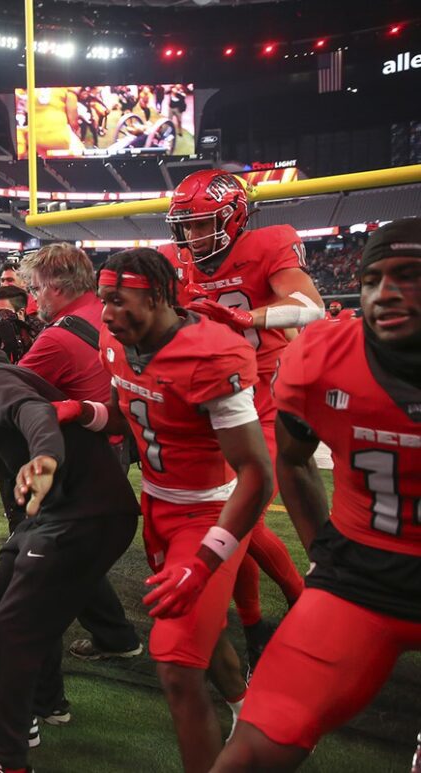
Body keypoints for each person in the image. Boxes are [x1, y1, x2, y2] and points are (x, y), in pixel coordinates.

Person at [213, 218, 421, 771]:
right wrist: (322, 552)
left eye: (408, 275)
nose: (385, 293)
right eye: (372, 278)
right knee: (256, 742)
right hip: (360, 577)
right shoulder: (324, 356)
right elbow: (295, 458)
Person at [60, 249, 273, 772]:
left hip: (206, 516)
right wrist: (79, 411)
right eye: (102, 299)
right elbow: (128, 413)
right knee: (206, 635)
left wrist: (205, 560)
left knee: (176, 664)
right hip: (155, 507)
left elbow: (257, 476)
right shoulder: (117, 342)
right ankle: (253, 717)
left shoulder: (211, 354)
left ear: (156, 296)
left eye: (115, 299)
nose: (104, 314)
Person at [0, 312, 138, 773]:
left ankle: (8, 760)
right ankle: (42, 705)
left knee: (14, 625)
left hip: (87, 511)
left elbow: (33, 413)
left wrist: (45, 461)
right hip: (64, 509)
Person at [161, 169, 320, 668]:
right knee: (232, 527)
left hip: (265, 403)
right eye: (184, 226)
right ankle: (255, 625)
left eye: (202, 224)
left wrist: (249, 318)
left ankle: (298, 602)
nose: (191, 236)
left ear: (233, 218)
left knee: (239, 520)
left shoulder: (268, 244)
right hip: (208, 407)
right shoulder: (173, 262)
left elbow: (311, 307)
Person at [16, 243, 143, 664]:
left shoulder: (59, 336)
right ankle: (115, 634)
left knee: (52, 554)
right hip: (124, 439)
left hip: (88, 453)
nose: (34, 297)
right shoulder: (110, 313)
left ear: (55, 285)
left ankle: (54, 664)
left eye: (36, 288)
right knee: (76, 549)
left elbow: (11, 392)